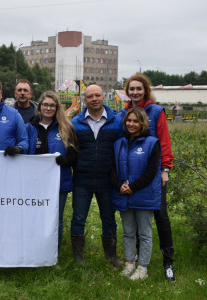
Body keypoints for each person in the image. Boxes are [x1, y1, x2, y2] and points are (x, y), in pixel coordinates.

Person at [122, 73, 176, 281]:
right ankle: (137, 257)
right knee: (135, 217)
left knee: (161, 216)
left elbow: (164, 141)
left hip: (154, 175)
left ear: (145, 90)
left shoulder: (155, 111)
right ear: (127, 92)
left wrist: (165, 169)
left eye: (138, 89)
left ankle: (168, 261)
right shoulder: (125, 112)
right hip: (132, 175)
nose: (135, 92)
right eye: (131, 89)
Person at [70, 84, 123, 266]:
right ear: (85, 100)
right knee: (78, 218)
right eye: (90, 96)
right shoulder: (75, 123)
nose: (94, 99)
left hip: (107, 180)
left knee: (109, 218)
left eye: (97, 95)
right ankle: (78, 258)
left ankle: (111, 257)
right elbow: (70, 150)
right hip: (82, 180)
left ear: (103, 98)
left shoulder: (116, 122)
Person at [111, 107, 161, 280]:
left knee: (145, 233)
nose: (131, 124)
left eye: (135, 121)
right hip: (124, 195)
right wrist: (119, 186)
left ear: (143, 123)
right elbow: (112, 169)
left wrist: (133, 186)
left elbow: (152, 171)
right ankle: (129, 263)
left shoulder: (152, 142)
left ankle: (143, 268)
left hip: (143, 195)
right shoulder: (118, 143)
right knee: (128, 232)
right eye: (129, 121)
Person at [26, 91, 77, 254]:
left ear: (57, 107)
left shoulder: (66, 127)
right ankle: (35, 251)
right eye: (45, 104)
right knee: (34, 218)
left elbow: (74, 154)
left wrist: (66, 160)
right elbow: (24, 152)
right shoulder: (29, 127)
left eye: (52, 105)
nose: (48, 108)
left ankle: (53, 252)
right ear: (39, 106)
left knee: (56, 219)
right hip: (34, 183)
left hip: (58, 182)